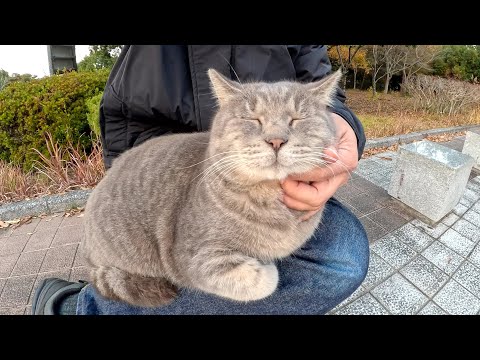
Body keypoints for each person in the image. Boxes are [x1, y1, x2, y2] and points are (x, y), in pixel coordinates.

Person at [32, 45, 369, 315]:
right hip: (154, 183)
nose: (276, 137)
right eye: (256, 122)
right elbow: (189, 254)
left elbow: (323, 87)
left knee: (343, 256)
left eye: (292, 123)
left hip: (280, 174)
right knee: (262, 280)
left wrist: (343, 125)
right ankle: (82, 307)